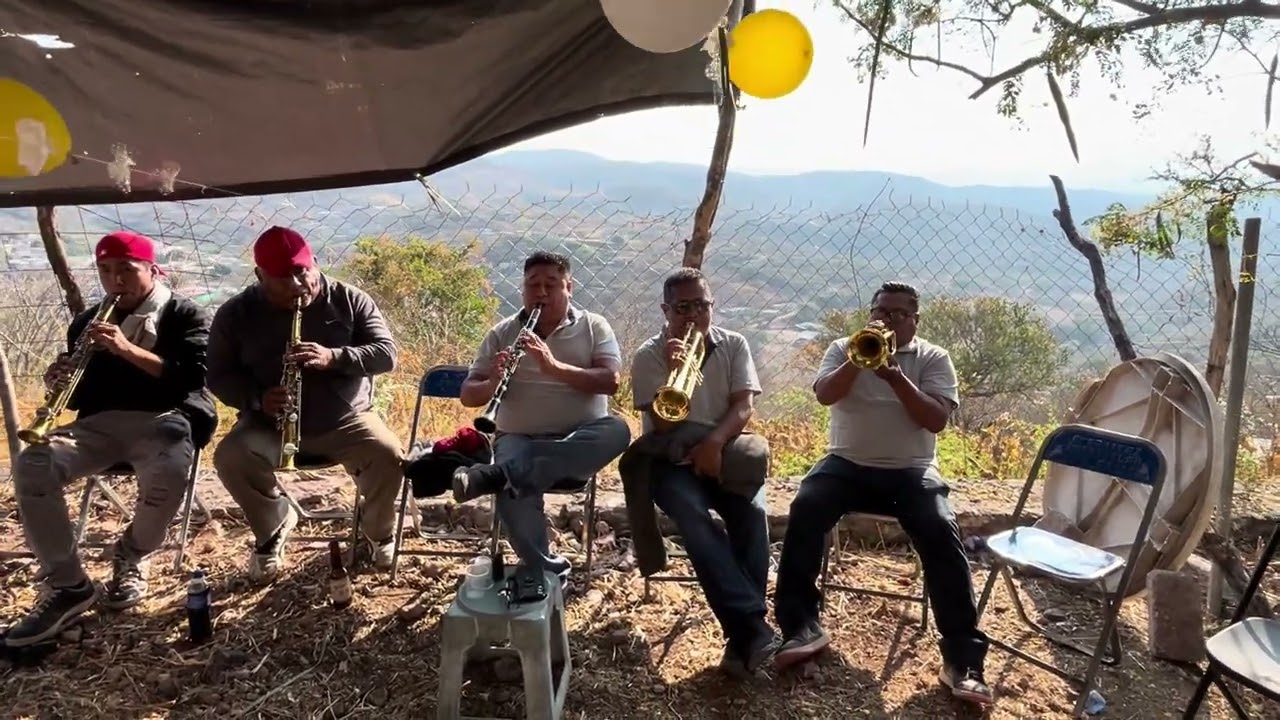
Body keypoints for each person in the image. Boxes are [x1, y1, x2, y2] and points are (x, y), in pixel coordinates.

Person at [772, 281, 994, 705]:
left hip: (910, 472)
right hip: (845, 464)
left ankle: (963, 660)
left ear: (915, 320)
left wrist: (894, 376)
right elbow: (824, 395)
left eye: (897, 314)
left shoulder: (933, 358)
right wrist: (860, 360)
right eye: (880, 312)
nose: (886, 320)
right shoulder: (844, 348)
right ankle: (801, 626)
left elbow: (935, 420)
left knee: (941, 529)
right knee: (806, 507)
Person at [6, 231, 217, 647]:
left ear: (153, 270)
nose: (114, 280)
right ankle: (68, 584)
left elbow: (191, 379)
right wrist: (61, 378)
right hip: (98, 426)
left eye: (126, 269)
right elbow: (83, 398)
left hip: (166, 420)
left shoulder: (185, 314)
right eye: (105, 271)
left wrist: (125, 348)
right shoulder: (87, 322)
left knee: (170, 471)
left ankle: (133, 553)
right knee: (31, 466)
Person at [208, 226, 402, 582]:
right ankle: (273, 525)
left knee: (388, 452)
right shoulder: (236, 314)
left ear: (314, 262)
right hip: (269, 424)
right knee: (230, 457)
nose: (298, 284)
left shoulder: (349, 299)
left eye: (303, 271)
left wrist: (334, 357)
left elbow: (386, 355)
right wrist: (257, 398)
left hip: (346, 420)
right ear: (260, 276)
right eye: (284, 278)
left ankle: (379, 531)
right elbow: (218, 376)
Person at [619, 268, 774, 677]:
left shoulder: (733, 344)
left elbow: (743, 406)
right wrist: (673, 374)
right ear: (665, 310)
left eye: (700, 306)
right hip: (669, 460)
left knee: (752, 515)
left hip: (722, 450)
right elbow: (664, 425)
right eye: (682, 308)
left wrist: (714, 444)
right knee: (693, 516)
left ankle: (744, 639)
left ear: (712, 305)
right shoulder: (649, 355)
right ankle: (752, 629)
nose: (692, 317)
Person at [453, 250, 631, 583]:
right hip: (517, 437)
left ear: (569, 287)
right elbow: (467, 395)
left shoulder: (594, 327)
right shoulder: (502, 332)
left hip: (580, 439)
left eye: (552, 284)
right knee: (512, 487)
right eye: (533, 285)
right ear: (523, 289)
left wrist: (553, 367)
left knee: (618, 429)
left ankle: (500, 473)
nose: (542, 293)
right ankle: (547, 572)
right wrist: (493, 381)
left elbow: (611, 382)